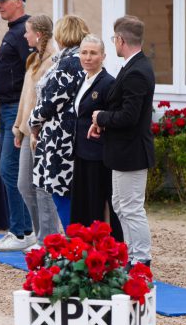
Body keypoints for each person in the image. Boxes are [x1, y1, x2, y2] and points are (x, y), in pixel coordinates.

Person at [89, 16, 155, 267]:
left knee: (131, 208)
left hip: (132, 151)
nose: (114, 43)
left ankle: (141, 260)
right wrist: (102, 122)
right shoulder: (132, 66)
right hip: (121, 149)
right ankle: (132, 255)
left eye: (114, 39)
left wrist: (101, 116)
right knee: (120, 204)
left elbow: (129, 116)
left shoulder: (137, 71)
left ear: (121, 40)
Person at [0, 0, 36, 251]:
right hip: (6, 107)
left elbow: (32, 72)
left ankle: (20, 232)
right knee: (13, 169)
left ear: (18, 1)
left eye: (3, 0)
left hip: (15, 109)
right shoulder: (14, 32)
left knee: (10, 168)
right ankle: (26, 230)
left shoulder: (23, 33)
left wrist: (23, 113)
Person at [29, 15, 88, 229]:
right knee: (64, 194)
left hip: (61, 138)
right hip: (66, 135)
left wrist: (32, 122)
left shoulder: (70, 63)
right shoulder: (77, 60)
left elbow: (50, 102)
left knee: (61, 193)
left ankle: (74, 243)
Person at [12, 14, 59, 250]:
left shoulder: (53, 61)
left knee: (43, 186)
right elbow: (25, 97)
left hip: (43, 132)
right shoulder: (33, 60)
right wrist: (19, 128)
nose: (24, 35)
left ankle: (48, 239)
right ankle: (41, 233)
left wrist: (36, 128)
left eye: (28, 31)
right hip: (28, 130)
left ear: (38, 34)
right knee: (24, 184)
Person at [69, 34, 123, 242]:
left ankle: (107, 249)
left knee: (97, 203)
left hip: (99, 154)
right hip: (82, 151)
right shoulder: (83, 80)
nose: (88, 57)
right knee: (82, 203)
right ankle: (82, 247)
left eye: (93, 53)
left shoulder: (108, 83)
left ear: (103, 56)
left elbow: (113, 117)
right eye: (84, 52)